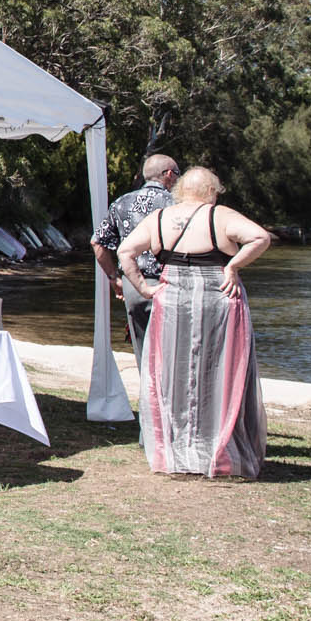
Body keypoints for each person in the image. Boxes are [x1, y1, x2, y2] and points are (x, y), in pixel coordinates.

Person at [117, 166, 270, 478]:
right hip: (217, 298)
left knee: (173, 374)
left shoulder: (159, 218)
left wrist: (144, 288)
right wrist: (233, 266)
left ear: (179, 190)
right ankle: (218, 449)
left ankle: (175, 450)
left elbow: (125, 251)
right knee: (220, 372)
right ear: (212, 192)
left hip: (172, 300)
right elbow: (260, 237)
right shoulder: (220, 216)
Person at [92, 154, 180, 361]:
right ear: (168, 174)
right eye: (178, 174)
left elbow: (97, 242)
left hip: (133, 285)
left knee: (144, 351)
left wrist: (114, 278)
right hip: (168, 284)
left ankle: (146, 383)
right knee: (173, 354)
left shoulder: (121, 203)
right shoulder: (176, 204)